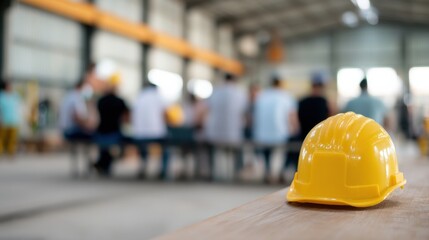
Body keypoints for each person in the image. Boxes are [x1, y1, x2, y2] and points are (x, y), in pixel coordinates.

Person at [253, 77, 298, 183]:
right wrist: (295, 129)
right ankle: (280, 172)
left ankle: (267, 171)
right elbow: (291, 116)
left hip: (262, 134)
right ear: (280, 84)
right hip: (280, 134)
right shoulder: (286, 96)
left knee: (266, 152)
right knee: (287, 150)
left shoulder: (262, 96)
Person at [204, 73, 247, 180]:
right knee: (236, 151)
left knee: (214, 151)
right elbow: (244, 112)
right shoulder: (240, 93)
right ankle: (236, 173)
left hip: (215, 132)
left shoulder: (216, 92)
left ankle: (214, 173)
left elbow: (206, 109)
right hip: (234, 132)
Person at [132, 82, 169, 180]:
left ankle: (143, 167)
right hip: (156, 132)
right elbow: (165, 114)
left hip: (140, 134)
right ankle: (163, 171)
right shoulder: (158, 97)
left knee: (143, 148)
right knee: (166, 147)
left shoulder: (139, 97)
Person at [94, 73, 129, 175]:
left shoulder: (101, 101)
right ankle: (103, 164)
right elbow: (127, 118)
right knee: (113, 147)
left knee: (105, 149)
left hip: (100, 132)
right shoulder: (120, 101)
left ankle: (101, 163)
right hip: (114, 133)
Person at [0, 80, 21, 157]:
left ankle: (11, 152)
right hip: (4, 120)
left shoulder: (15, 95)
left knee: (12, 138)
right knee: (2, 138)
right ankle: (1, 151)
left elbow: (18, 107)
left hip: (14, 120)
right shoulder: (1, 96)